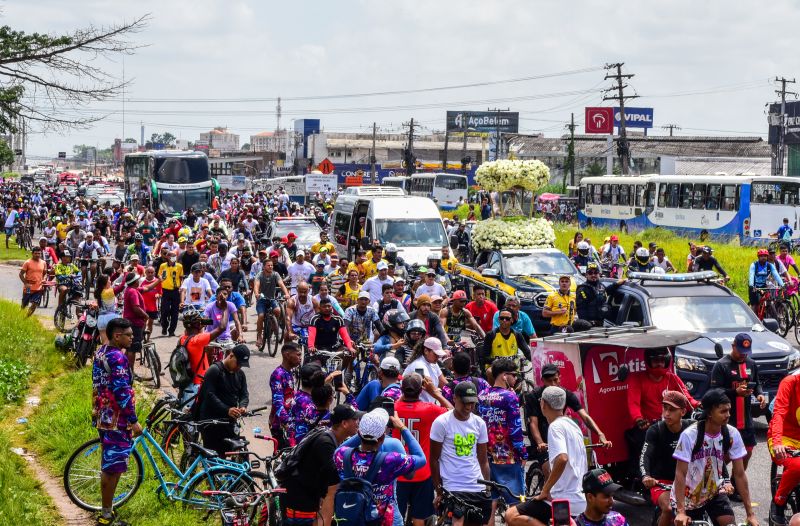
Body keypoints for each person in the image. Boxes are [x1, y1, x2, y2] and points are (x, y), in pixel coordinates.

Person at [672, 389, 758, 526]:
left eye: (729, 410)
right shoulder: (689, 435)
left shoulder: (732, 433)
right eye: (723, 411)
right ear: (710, 413)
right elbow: (680, 473)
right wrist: (681, 511)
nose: (728, 415)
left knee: (728, 522)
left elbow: (740, 474)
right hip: (688, 498)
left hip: (714, 492)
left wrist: (750, 515)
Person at [505, 386, 588, 526]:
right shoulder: (573, 425)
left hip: (563, 501)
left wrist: (545, 490)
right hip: (580, 498)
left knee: (511, 515)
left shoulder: (555, 427)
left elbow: (562, 458)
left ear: (543, 403)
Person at [333, 408, 427, 526]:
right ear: (382, 437)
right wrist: (403, 428)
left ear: (359, 433)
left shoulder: (342, 455)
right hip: (380, 520)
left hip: (352, 517)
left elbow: (337, 449)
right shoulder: (390, 460)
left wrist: (363, 431)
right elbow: (421, 458)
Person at [92, 318, 141, 526]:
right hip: (117, 419)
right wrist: (134, 420)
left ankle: (108, 511)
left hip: (103, 414)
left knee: (112, 465)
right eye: (129, 335)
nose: (132, 338)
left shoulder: (101, 351)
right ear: (117, 336)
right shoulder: (117, 359)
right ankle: (106, 516)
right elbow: (121, 392)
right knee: (112, 468)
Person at [281, 405, 360, 526]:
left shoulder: (329, 438)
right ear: (344, 423)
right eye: (354, 419)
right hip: (301, 505)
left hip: (305, 500)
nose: (357, 422)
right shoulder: (325, 444)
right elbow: (332, 486)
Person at [430, 381, 493, 526]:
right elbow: (434, 459)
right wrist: (439, 491)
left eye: (472, 403)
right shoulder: (441, 423)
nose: (468, 407)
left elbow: (483, 461)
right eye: (465, 402)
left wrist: (487, 489)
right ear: (454, 398)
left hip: (477, 487)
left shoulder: (479, 423)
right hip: (453, 487)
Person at [394, 374, 451, 526]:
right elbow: (453, 412)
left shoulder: (393, 409)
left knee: (395, 516)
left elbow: (398, 402)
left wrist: (401, 396)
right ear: (421, 391)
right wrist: (434, 393)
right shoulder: (430, 409)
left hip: (397, 470)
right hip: (422, 470)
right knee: (419, 517)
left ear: (402, 390)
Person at [709, 333, 765, 476]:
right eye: (740, 351)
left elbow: (757, 383)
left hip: (746, 419)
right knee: (726, 455)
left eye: (746, 353)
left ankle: (735, 482)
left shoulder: (751, 364)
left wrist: (759, 394)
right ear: (733, 346)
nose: (743, 355)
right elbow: (715, 391)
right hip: (728, 419)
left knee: (747, 451)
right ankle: (715, 480)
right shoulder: (721, 365)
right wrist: (735, 392)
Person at [478, 358, 528, 510]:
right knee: (516, 503)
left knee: (491, 502)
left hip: (486, 456)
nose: (516, 378)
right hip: (508, 457)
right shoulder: (510, 397)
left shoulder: (482, 395)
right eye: (514, 375)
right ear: (504, 376)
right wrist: (523, 453)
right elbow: (515, 429)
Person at [640, 391, 692, 526]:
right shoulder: (655, 430)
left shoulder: (692, 428)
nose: (667, 413)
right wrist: (646, 476)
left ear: (683, 412)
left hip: (688, 481)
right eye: (665, 408)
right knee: (669, 508)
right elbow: (645, 455)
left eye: (672, 410)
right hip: (661, 482)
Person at [194, 344, 250, 457]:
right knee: (214, 458)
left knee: (232, 453)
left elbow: (244, 393)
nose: (239, 367)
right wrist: (227, 409)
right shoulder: (214, 370)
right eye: (238, 363)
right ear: (231, 356)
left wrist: (243, 406)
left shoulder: (240, 374)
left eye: (241, 365)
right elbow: (209, 395)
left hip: (229, 422)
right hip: (211, 422)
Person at [177, 308, 228, 406]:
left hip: (187, 383)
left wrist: (200, 325)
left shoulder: (182, 339)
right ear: (197, 325)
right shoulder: (198, 340)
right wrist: (225, 309)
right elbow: (222, 327)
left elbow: (190, 332)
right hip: (197, 385)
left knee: (185, 416)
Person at [768, 372, 800, 525]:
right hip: (784, 437)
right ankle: (778, 503)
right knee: (797, 466)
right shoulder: (790, 382)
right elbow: (779, 413)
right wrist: (778, 442)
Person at [269, 343, 303, 449]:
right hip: (280, 423)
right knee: (283, 455)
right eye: (298, 355)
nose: (300, 358)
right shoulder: (278, 374)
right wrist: (287, 421)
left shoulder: (290, 372)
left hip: (290, 421)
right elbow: (278, 401)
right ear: (287, 355)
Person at [480, 309, 531, 373]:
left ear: (512, 320)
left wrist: (536, 361)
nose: (504, 320)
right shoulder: (491, 335)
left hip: (512, 369)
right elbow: (484, 357)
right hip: (495, 368)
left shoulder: (517, 335)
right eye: (502, 318)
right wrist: (498, 362)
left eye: (507, 318)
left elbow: (527, 352)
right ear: (498, 319)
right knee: (490, 372)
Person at [253, 259, 289, 349]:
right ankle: (260, 336)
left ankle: (273, 326)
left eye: (272, 265)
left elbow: (281, 284)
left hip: (272, 299)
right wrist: (257, 294)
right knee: (261, 316)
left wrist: (286, 294)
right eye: (269, 265)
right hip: (262, 300)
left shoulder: (275, 274)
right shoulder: (259, 275)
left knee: (278, 310)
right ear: (264, 266)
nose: (271, 267)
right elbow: (256, 285)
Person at [576, 263, 624, 327]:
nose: (593, 275)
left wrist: (616, 284)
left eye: (595, 273)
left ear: (599, 274)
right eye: (590, 273)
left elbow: (606, 292)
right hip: (589, 325)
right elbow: (581, 310)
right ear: (586, 275)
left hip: (601, 323)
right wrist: (585, 325)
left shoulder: (601, 286)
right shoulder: (583, 289)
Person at [403, 337, 449, 404]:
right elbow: (430, 388)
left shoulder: (433, 363)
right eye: (435, 354)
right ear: (426, 351)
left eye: (439, 355)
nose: (438, 357)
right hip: (417, 406)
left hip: (429, 404)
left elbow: (444, 383)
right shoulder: (419, 366)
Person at [157, 251, 184, 337]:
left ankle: (171, 330)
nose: (173, 257)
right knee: (164, 311)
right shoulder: (163, 266)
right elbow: (159, 275)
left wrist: (181, 287)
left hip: (175, 291)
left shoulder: (179, 266)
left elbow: (181, 278)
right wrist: (161, 278)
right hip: (165, 291)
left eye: (174, 256)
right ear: (168, 257)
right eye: (171, 256)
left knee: (175, 312)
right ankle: (164, 327)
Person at [19, 246, 47, 317]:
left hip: (38, 288)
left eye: (39, 253)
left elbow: (44, 273)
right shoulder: (27, 262)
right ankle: (20, 317)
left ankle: (26, 318)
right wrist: (26, 283)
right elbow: (21, 274)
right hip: (28, 287)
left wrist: (44, 279)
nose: (37, 255)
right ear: (32, 253)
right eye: (36, 253)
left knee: (35, 304)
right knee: (24, 304)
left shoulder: (43, 263)